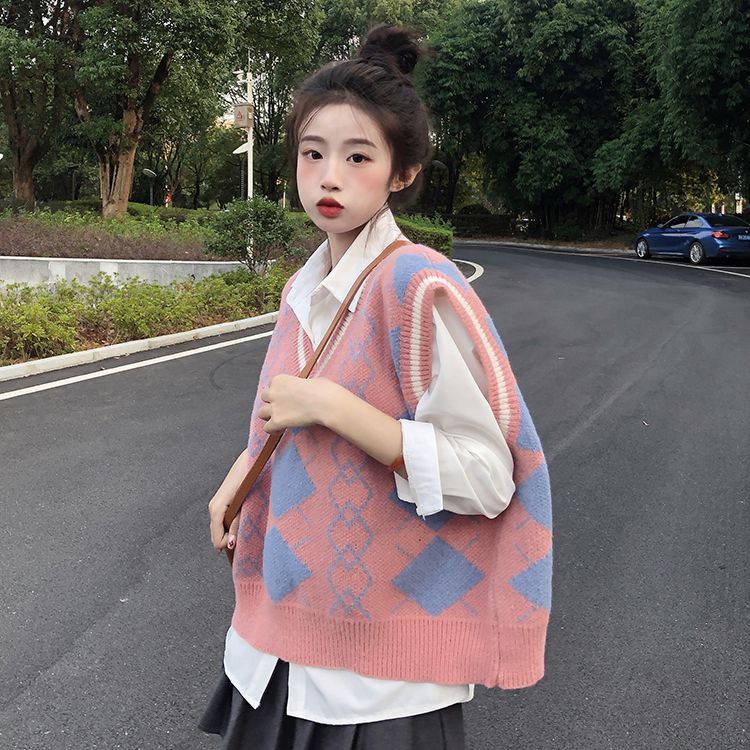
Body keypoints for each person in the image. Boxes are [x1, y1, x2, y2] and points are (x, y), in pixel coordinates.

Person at [201, 25, 552, 750]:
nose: (329, 176)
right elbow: (286, 417)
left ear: (401, 173)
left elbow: (488, 476)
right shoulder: (306, 287)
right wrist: (242, 473)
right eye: (313, 153)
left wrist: (334, 408)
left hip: (378, 683)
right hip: (276, 649)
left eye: (358, 156)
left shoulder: (417, 285)